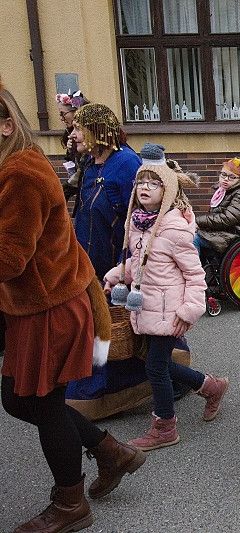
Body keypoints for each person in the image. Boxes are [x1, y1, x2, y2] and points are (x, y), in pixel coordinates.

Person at [1, 81, 144, 532]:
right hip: (33, 305)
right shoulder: (12, 167)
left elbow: (10, 257)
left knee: (41, 403)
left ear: (6, 125)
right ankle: (110, 451)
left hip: (51, 307)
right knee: (17, 399)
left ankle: (70, 504)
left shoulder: (21, 173)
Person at [103, 143, 229, 451]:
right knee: (158, 363)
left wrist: (188, 311)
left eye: (154, 183)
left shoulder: (173, 229)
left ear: (168, 190)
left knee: (155, 367)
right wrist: (118, 274)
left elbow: (195, 275)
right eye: (141, 182)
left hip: (169, 311)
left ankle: (165, 427)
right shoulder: (138, 223)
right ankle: (210, 386)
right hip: (146, 306)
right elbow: (140, 262)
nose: (145, 187)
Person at [71, 103, 141, 280]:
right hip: (86, 267)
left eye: (78, 129)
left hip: (114, 273)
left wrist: (122, 269)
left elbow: (138, 219)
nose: (72, 135)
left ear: (97, 130)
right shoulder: (89, 162)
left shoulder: (126, 163)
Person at [195, 157, 240, 260]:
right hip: (224, 230)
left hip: (233, 234)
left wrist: (198, 221)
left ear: (239, 179)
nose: (226, 179)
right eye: (223, 174)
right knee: (189, 233)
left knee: (194, 239)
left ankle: (193, 269)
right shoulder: (222, 191)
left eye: (232, 177)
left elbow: (227, 218)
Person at [56, 90, 90, 200]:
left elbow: (84, 169)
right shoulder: (70, 135)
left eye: (63, 113)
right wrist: (71, 152)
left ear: (76, 111)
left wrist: (64, 192)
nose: (61, 118)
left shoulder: (90, 139)